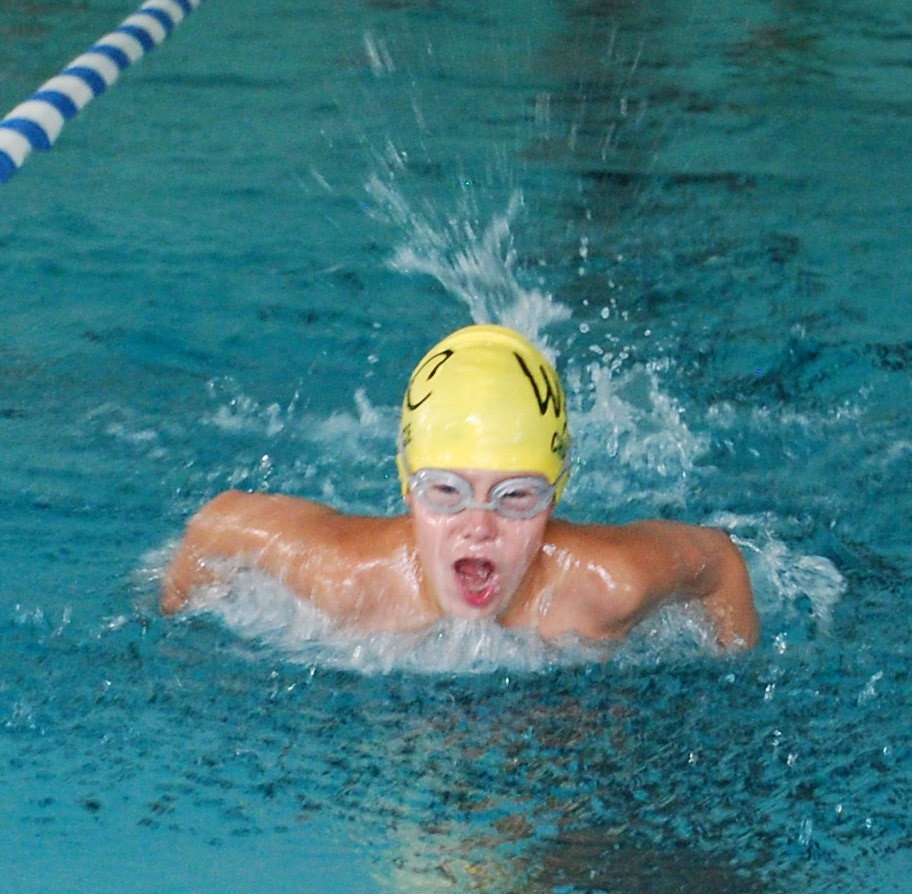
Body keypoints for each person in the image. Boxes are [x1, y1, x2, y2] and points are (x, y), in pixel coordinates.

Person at [162, 324, 759, 649]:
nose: (479, 525)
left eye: (515, 496)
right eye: (446, 493)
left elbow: (720, 561)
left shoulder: (605, 588)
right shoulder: (347, 581)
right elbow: (216, 524)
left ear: (556, 495)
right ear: (405, 487)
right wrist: (173, 631)